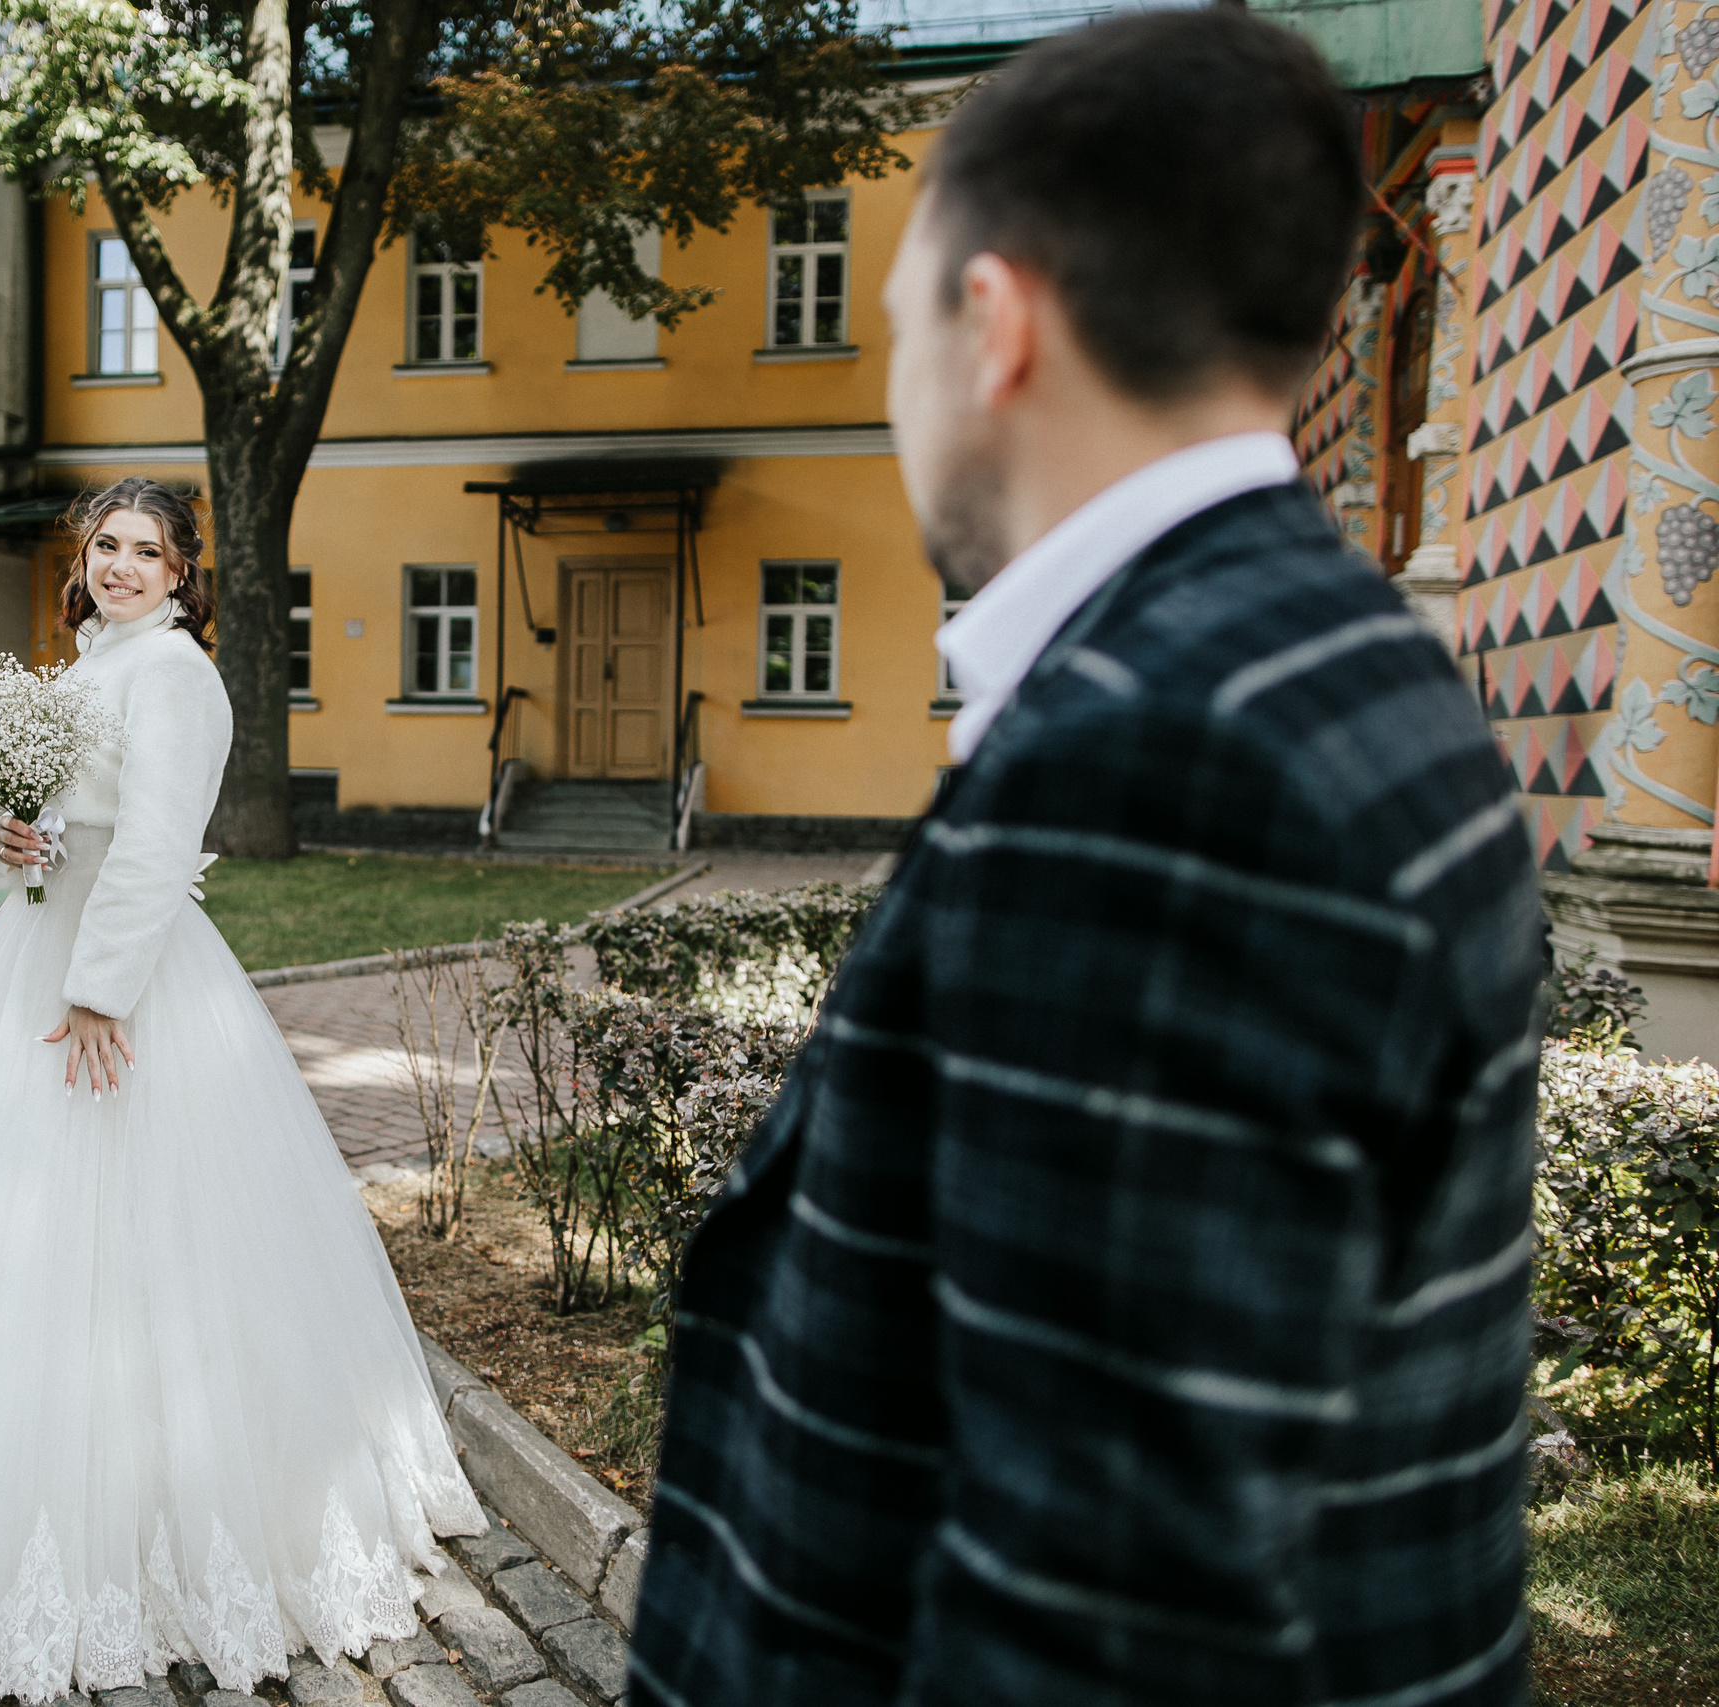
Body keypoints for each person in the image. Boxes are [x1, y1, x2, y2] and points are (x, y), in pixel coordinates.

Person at [629, 13, 1545, 1707]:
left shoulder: (1164, 753)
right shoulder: (1334, 651)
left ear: (995, 322)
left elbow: (1104, 1620)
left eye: (896, 319)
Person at [0, 478, 483, 1706]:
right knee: (4, 1225)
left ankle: (169, 1519)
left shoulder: (176, 678)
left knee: (149, 1231)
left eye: (149, 551)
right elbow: (44, 831)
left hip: (124, 979)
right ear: (80, 560)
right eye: (107, 547)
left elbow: (153, 846)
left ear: (186, 572)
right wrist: (9, 845)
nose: (125, 566)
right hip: (36, 952)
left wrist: (100, 993)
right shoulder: (83, 670)